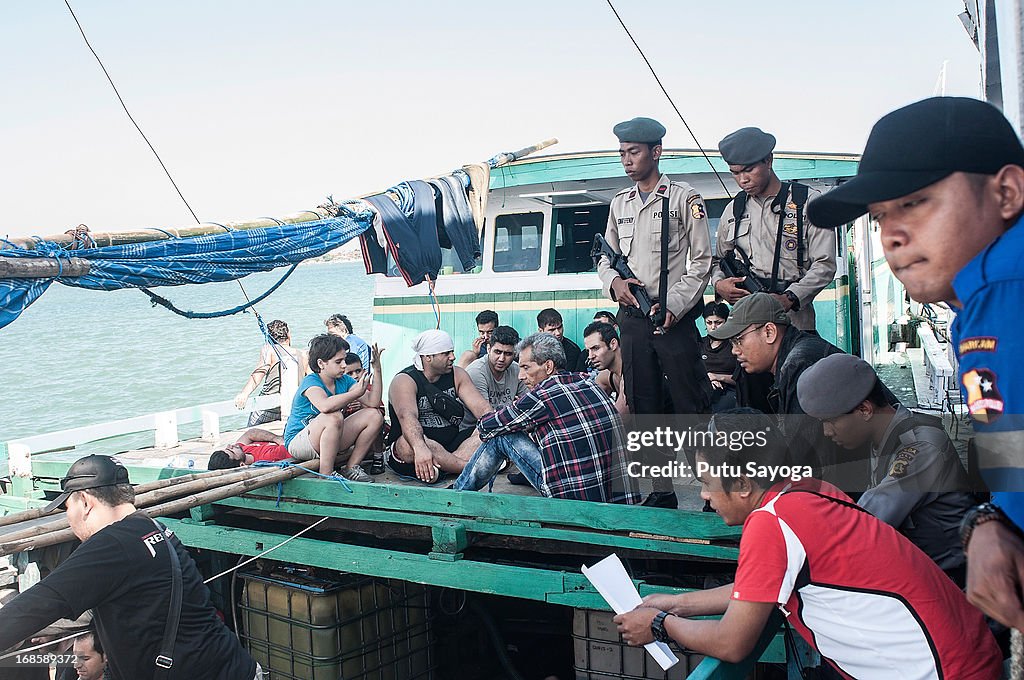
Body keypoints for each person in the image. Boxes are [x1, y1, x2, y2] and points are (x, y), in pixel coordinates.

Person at [806, 95, 1024, 631]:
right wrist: (997, 518)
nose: (891, 236)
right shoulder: (976, 300)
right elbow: (1011, 438)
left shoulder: (1003, 286)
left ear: (1007, 192)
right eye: (880, 215)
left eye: (916, 202)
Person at [613, 411, 1002, 678]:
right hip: (972, 652)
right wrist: (675, 601)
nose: (704, 496)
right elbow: (760, 588)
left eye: (707, 483)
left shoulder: (772, 523)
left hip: (943, 670)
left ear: (744, 484)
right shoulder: (806, 490)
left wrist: (662, 625)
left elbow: (732, 642)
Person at [0, 455, 259, 680]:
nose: (68, 519)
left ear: (86, 501)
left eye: (67, 507)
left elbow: (37, 604)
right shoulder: (152, 528)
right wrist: (52, 629)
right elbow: (130, 602)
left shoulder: (111, 544)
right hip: (230, 665)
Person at [596, 116, 713, 508]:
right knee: (645, 405)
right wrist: (614, 284)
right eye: (622, 154)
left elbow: (701, 261)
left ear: (656, 152)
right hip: (632, 321)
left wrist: (676, 306)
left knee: (689, 403)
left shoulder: (684, 199)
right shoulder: (619, 204)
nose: (627, 161)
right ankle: (661, 492)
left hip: (673, 321)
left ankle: (714, 490)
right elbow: (605, 257)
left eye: (634, 152)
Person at [797, 353, 975, 581]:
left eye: (830, 421)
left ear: (864, 410)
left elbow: (864, 521)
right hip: (917, 572)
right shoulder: (882, 439)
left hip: (952, 584)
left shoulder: (920, 446)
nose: (827, 432)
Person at [453, 333, 639, 504]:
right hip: (621, 498)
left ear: (548, 366)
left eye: (526, 367)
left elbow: (487, 426)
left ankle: (457, 494)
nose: (520, 375)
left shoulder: (542, 396)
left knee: (502, 435)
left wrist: (518, 422)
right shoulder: (588, 383)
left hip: (574, 500)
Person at [711, 127, 837, 333]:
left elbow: (825, 265)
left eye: (748, 170)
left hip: (794, 323)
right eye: (735, 173)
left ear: (768, 160)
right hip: (748, 325)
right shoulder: (733, 209)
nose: (742, 180)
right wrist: (719, 285)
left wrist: (790, 298)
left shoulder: (807, 203)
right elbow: (718, 260)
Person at [707, 293, 844, 474]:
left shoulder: (799, 363)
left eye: (738, 340)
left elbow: (806, 461)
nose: (734, 350)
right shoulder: (794, 356)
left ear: (769, 332)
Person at [386, 329, 492, 483]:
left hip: (453, 447)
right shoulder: (405, 380)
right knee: (409, 442)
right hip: (417, 449)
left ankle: (448, 467)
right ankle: (468, 467)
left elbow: (483, 410)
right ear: (428, 357)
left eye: (452, 352)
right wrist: (420, 447)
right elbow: (407, 417)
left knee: (488, 429)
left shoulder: (457, 374)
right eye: (446, 353)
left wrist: (495, 425)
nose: (453, 357)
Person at [282, 334, 382, 482]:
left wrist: (378, 370)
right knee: (333, 416)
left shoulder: (344, 380)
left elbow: (373, 401)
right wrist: (355, 393)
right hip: (300, 442)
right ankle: (326, 473)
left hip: (330, 438)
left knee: (375, 415)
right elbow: (325, 405)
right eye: (338, 361)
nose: (344, 365)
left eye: (344, 360)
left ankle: (352, 467)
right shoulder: (311, 381)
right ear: (321, 363)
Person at [234, 319, 307, 426]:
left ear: (269, 338)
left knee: (250, 431)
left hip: (269, 408)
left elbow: (258, 374)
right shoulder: (303, 354)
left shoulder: (268, 350)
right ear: (288, 335)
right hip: (294, 407)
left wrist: (244, 393)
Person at [463, 325, 527, 427]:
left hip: (505, 425)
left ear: (515, 354)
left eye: (508, 354)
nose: (501, 358)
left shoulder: (517, 369)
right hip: (475, 429)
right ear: (488, 349)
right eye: (497, 352)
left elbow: (528, 405)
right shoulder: (476, 371)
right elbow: (486, 418)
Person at [583, 321, 626, 416]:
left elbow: (618, 420)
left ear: (613, 344)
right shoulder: (606, 376)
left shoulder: (631, 374)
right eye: (588, 351)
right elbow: (588, 407)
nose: (590, 356)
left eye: (596, 348)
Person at [701, 303, 738, 413]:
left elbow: (743, 379)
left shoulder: (734, 345)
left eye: (718, 322)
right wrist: (707, 380)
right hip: (703, 387)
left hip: (730, 391)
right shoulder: (699, 343)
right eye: (709, 322)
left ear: (726, 322)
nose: (713, 327)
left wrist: (717, 377)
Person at [208, 427, 290, 470]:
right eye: (230, 450)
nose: (230, 445)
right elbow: (287, 444)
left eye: (227, 448)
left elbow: (250, 433)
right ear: (242, 465)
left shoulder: (242, 450)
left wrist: (275, 439)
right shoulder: (268, 457)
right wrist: (278, 439)